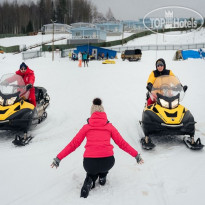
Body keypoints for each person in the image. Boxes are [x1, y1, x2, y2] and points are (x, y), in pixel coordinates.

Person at [51, 98, 144, 198]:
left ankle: (90, 180)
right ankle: (103, 177)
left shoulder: (86, 127)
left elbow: (73, 144)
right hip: (107, 162)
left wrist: (58, 158)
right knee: (104, 166)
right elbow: (122, 143)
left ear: (92, 113)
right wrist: (136, 156)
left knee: (92, 171)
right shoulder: (110, 127)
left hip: (89, 163)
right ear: (103, 113)